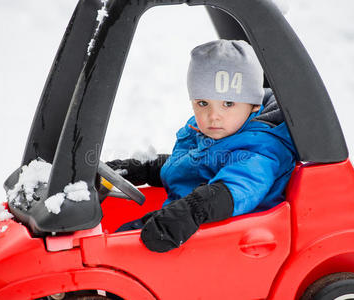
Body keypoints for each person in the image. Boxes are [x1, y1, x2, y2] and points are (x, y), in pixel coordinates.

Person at [106, 39, 296, 253]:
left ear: (253, 105)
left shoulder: (261, 149)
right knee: (115, 238)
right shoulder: (213, 131)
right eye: (203, 103)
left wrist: (191, 210)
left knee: (121, 249)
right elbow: (194, 166)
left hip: (231, 242)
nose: (213, 116)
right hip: (191, 227)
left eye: (229, 103)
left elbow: (235, 189)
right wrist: (142, 168)